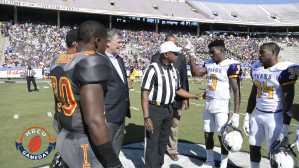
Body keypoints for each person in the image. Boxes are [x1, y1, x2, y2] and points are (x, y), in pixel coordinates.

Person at [50, 20, 123, 168]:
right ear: (97, 41)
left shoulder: (58, 59)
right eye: (103, 42)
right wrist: (115, 163)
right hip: (83, 141)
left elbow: (57, 106)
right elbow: (94, 121)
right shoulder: (93, 60)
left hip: (65, 134)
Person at [142, 41, 204, 168]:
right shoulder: (153, 68)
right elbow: (144, 93)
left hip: (169, 109)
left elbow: (178, 90)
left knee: (163, 142)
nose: (177, 55)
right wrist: (147, 117)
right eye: (174, 53)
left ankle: (158, 165)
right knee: (152, 142)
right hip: (155, 109)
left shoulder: (174, 70)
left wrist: (196, 96)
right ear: (165, 54)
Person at [243, 43, 298, 168]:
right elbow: (253, 95)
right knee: (253, 145)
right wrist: (247, 115)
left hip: (275, 115)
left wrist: (285, 128)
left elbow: (287, 101)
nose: (259, 54)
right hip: (258, 114)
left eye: (262, 52)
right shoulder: (256, 67)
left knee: (275, 153)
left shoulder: (284, 69)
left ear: (273, 52)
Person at [189, 39, 241, 168]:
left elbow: (236, 90)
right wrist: (191, 55)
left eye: (213, 52)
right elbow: (195, 73)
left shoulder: (231, 65)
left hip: (222, 104)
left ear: (221, 50)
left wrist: (236, 113)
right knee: (207, 132)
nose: (211, 55)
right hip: (209, 102)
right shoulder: (210, 64)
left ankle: (223, 164)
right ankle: (210, 161)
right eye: (210, 53)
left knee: (222, 135)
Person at [151, 34, 189, 161]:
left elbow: (184, 79)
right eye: (171, 44)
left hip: (176, 99)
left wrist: (186, 98)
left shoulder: (181, 58)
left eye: (175, 44)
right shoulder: (156, 57)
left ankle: (172, 150)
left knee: (174, 126)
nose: (174, 47)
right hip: (160, 101)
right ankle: (157, 150)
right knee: (159, 127)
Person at [104, 29, 131, 156]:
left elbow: (123, 85)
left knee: (116, 146)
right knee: (105, 148)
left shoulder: (119, 59)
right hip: (108, 113)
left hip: (121, 110)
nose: (121, 45)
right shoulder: (99, 59)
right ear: (108, 42)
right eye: (119, 42)